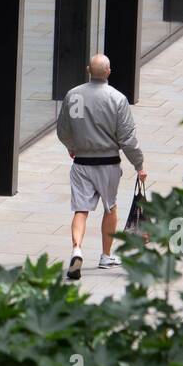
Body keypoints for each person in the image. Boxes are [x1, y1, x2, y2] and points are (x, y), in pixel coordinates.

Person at [55, 53, 146, 280]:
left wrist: (71, 146)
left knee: (81, 209)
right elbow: (127, 139)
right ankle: (106, 256)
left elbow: (63, 130)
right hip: (108, 163)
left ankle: (77, 248)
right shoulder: (117, 99)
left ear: (88, 70)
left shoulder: (73, 95)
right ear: (108, 72)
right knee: (110, 207)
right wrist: (139, 164)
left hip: (81, 162)